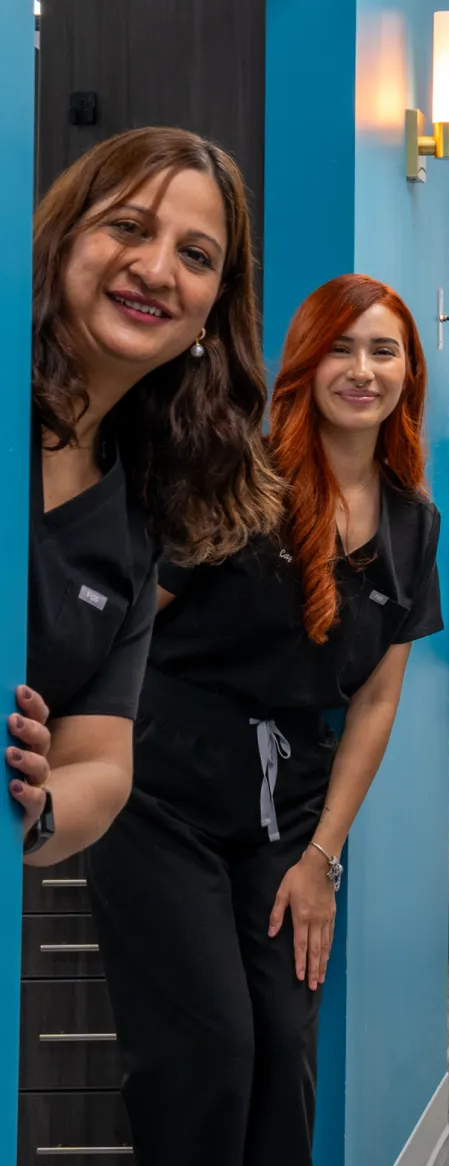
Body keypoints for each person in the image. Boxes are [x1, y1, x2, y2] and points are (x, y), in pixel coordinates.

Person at [88, 275, 441, 1166]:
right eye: (341, 347)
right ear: (305, 361)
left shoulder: (414, 523)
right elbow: (128, 620)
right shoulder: (244, 479)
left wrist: (322, 855)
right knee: (209, 1047)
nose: (361, 370)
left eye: (383, 351)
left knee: (283, 1045)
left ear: (409, 373)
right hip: (161, 794)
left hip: (287, 813)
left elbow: (373, 703)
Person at [21, 127, 281, 864]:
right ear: (64, 239)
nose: (157, 268)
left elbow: (101, 764)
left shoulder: (138, 513)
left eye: (197, 257)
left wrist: (35, 808)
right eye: (127, 228)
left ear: (210, 313)